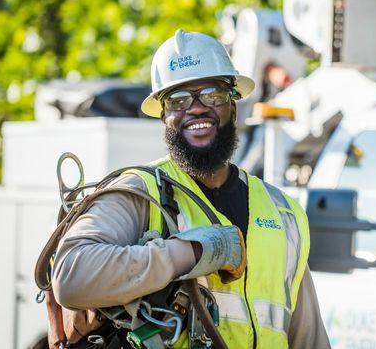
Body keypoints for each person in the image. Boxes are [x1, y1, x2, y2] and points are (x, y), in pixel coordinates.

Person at [51, 29, 330, 349]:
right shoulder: (140, 194)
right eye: (179, 100)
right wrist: (195, 251)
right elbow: (72, 276)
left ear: (234, 108)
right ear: (164, 117)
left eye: (213, 94)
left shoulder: (285, 213)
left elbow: (308, 337)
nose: (197, 108)